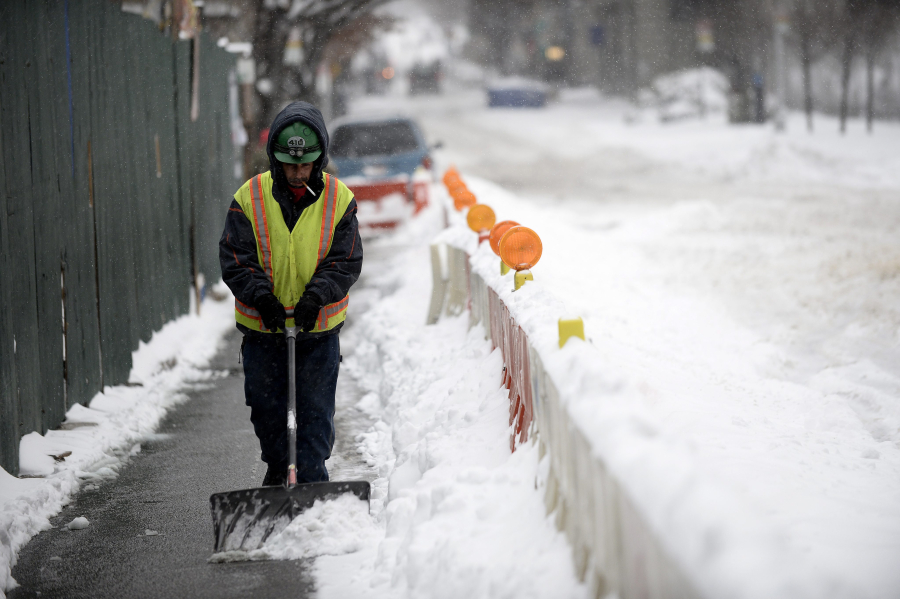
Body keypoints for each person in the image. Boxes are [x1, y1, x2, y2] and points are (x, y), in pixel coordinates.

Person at [219, 101, 362, 486]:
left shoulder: (340, 200)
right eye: (289, 164)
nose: (298, 173)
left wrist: (316, 297)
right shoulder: (249, 199)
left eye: (305, 165)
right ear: (275, 160)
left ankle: (313, 483)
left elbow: (345, 261)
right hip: (263, 333)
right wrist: (261, 297)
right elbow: (236, 258)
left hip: (317, 333)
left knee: (315, 414)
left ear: (319, 160)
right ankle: (279, 473)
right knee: (268, 411)